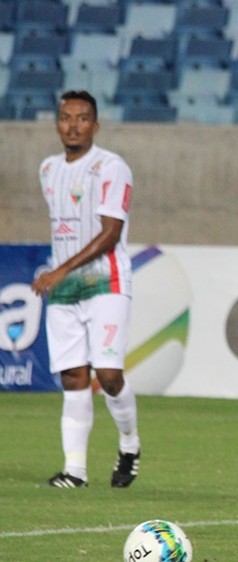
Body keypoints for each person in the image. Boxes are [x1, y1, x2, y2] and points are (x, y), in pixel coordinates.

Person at [31, 90, 141, 489]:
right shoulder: (47, 169)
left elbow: (111, 234)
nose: (72, 125)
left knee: (109, 375)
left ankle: (130, 444)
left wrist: (58, 270)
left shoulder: (112, 168)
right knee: (74, 378)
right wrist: (60, 275)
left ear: (95, 124)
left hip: (105, 282)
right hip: (64, 292)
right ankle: (74, 471)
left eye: (82, 118)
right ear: (57, 123)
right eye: (65, 117)